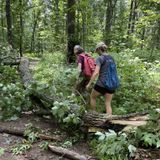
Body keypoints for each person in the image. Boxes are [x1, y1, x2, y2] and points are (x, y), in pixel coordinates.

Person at [86, 42, 118, 115]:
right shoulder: (111, 58)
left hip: (102, 84)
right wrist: (91, 57)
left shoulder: (100, 58)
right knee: (107, 103)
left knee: (92, 97)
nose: (97, 52)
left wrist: (89, 84)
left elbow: (96, 72)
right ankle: (108, 121)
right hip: (111, 84)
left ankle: (93, 115)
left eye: (97, 51)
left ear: (99, 49)